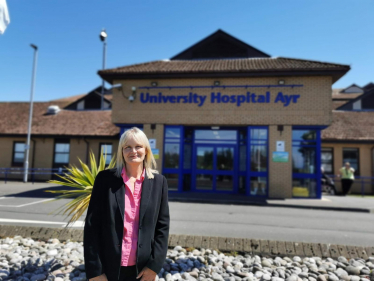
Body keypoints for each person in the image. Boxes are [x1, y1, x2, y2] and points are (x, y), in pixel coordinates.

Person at [84, 127, 170, 281]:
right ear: (121, 151)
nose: (133, 151)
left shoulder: (159, 182)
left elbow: (162, 227)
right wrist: (95, 272)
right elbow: (92, 226)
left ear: (146, 151)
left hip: (142, 270)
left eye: (138, 146)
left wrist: (154, 267)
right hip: (108, 267)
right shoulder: (105, 179)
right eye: (127, 147)